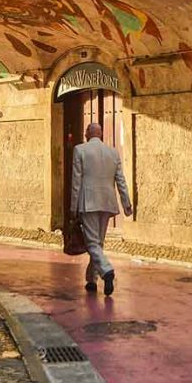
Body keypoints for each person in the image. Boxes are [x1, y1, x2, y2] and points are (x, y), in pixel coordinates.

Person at [70, 121, 132, 295]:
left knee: (92, 243)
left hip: (88, 201)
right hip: (107, 201)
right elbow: (120, 179)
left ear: (87, 134)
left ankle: (106, 271)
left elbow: (76, 181)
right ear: (101, 134)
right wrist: (126, 203)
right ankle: (91, 280)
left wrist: (73, 207)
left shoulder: (80, 150)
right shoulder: (112, 152)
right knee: (98, 242)